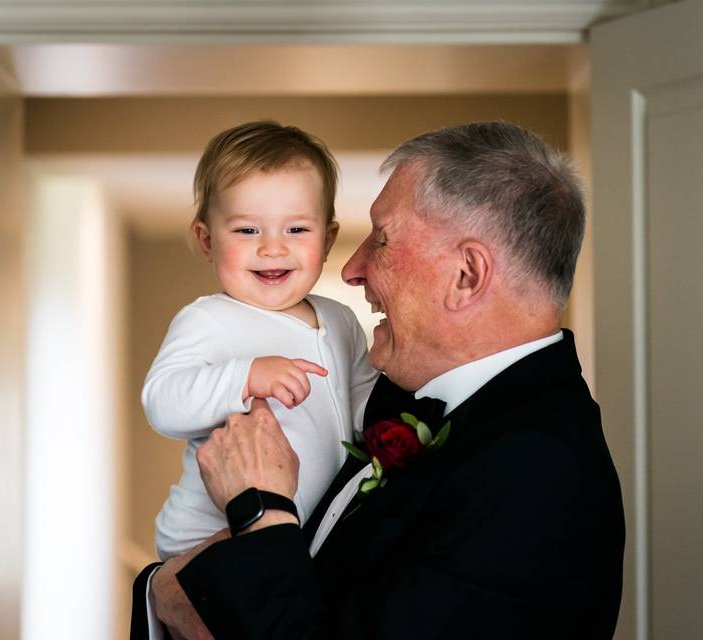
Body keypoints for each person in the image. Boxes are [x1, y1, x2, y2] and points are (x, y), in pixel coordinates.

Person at [132, 121, 626, 639]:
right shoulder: (411, 399)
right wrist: (160, 591)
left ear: (467, 275)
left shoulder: (538, 469)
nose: (351, 268)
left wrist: (261, 510)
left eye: (382, 238)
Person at [142, 121, 378, 561]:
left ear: (327, 240)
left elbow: (365, 401)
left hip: (305, 534)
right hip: (211, 534)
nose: (272, 248)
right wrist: (245, 377)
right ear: (207, 240)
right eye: (248, 230)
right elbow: (163, 401)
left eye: (296, 230)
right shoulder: (210, 319)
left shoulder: (340, 319)